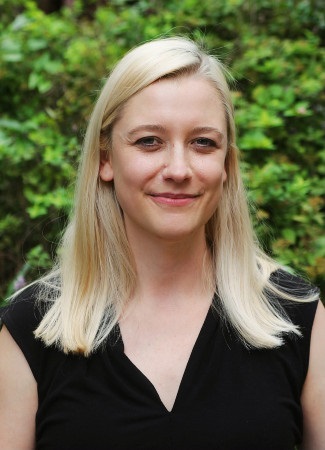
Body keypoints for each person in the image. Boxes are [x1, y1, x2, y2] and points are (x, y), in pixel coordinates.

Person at [0, 36, 324, 450]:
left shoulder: (298, 317)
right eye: (149, 141)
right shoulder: (32, 329)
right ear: (105, 159)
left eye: (203, 142)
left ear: (226, 165)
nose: (178, 168)